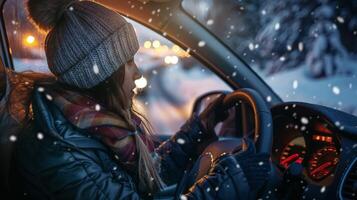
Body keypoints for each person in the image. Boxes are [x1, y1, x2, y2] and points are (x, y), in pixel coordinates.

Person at [0, 0, 271, 199]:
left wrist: (196, 132)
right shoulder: (60, 154)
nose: (138, 73)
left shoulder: (96, 127)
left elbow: (148, 174)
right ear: (100, 75)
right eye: (128, 63)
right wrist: (229, 181)